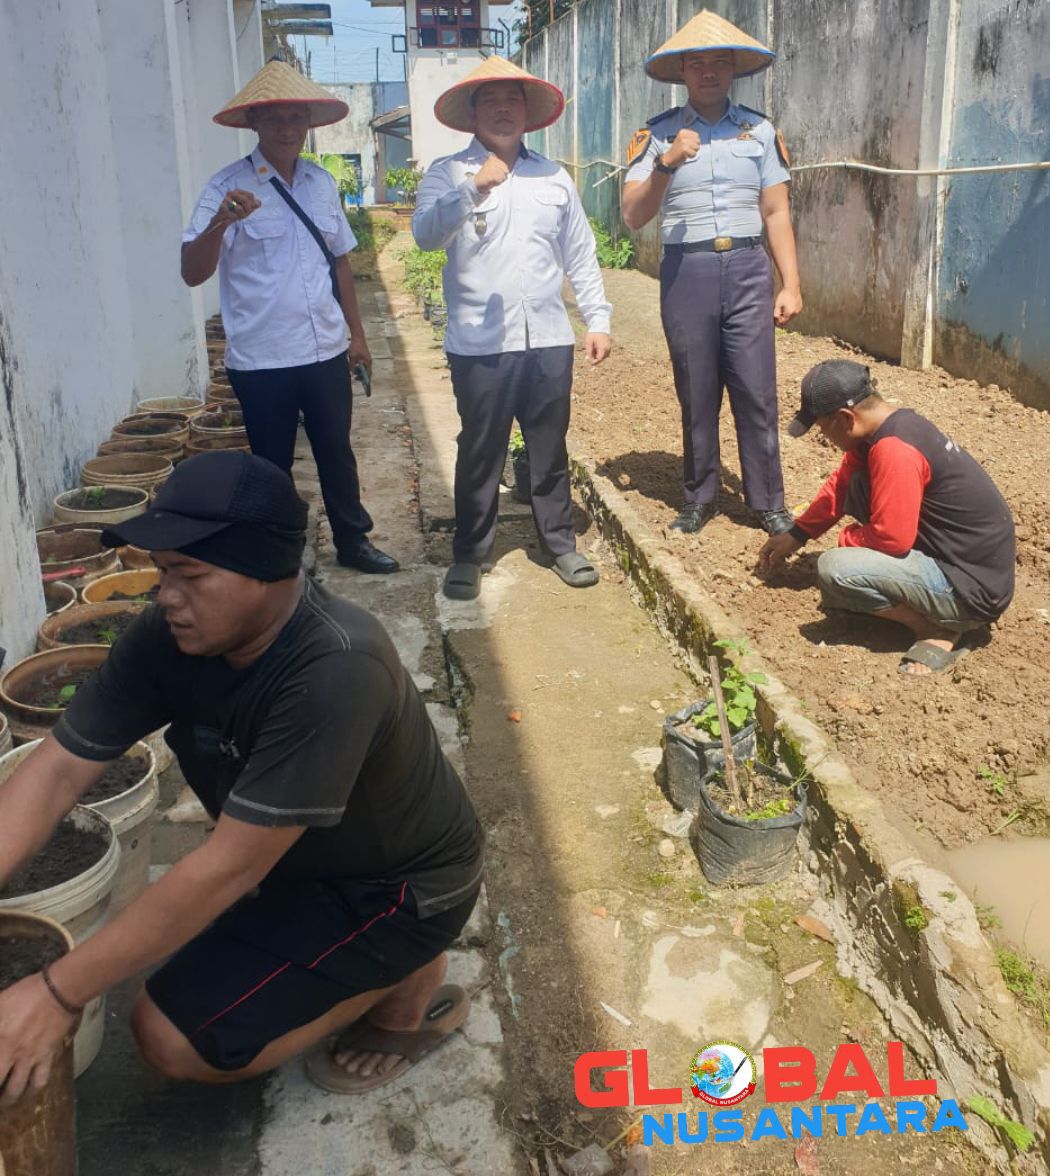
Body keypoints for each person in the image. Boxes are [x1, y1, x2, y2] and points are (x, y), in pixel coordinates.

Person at [0, 452, 484, 1099]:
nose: (166, 596)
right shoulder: (168, 636)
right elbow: (58, 770)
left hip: (398, 890)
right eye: (162, 571)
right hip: (291, 864)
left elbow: (227, 867)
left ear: (267, 571)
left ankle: (403, 980)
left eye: (190, 575)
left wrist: (56, 993)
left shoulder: (336, 668)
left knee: (170, 1039)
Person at [180, 60, 398, 575]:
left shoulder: (321, 184)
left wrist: (358, 338)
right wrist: (221, 222)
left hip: (324, 349)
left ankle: (353, 541)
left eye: (295, 116)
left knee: (336, 453)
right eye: (274, 117)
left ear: (308, 122)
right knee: (271, 465)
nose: (286, 128)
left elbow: (340, 262)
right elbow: (192, 272)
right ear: (254, 122)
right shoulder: (225, 188)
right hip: (262, 358)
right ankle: (278, 555)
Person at [413, 57, 613, 600]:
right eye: (491, 99)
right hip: (480, 343)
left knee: (549, 445)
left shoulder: (554, 177)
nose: (503, 109)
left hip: (548, 338)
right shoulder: (447, 173)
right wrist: (473, 188)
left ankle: (559, 543)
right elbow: (425, 237)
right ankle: (470, 553)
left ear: (527, 112)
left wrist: (597, 318)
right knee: (481, 448)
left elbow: (580, 253)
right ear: (473, 111)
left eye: (513, 100)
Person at [621, 11, 802, 537]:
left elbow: (776, 212)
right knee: (697, 390)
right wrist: (667, 163)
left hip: (747, 268)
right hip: (688, 270)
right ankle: (699, 497)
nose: (708, 72)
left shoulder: (760, 131)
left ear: (733, 70)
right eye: (697, 63)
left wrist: (790, 283)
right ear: (681, 72)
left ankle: (768, 502)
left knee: (756, 389)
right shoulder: (657, 135)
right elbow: (633, 214)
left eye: (719, 62)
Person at [757, 360, 1016, 676]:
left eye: (824, 428)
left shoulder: (894, 450)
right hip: (962, 561)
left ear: (846, 418)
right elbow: (842, 483)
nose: (825, 437)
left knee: (836, 568)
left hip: (970, 590)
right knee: (857, 484)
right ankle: (930, 608)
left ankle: (938, 627)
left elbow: (892, 539)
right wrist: (797, 534)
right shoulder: (890, 427)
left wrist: (849, 539)